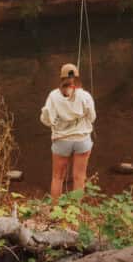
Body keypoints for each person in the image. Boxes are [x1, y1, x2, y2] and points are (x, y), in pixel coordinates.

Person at [40, 63, 96, 202]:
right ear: (77, 77)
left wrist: (58, 122)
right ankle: (75, 213)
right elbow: (92, 117)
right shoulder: (85, 95)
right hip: (82, 140)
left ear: (61, 77)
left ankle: (55, 210)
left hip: (61, 141)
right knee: (79, 177)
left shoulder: (53, 96)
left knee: (57, 177)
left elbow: (46, 119)